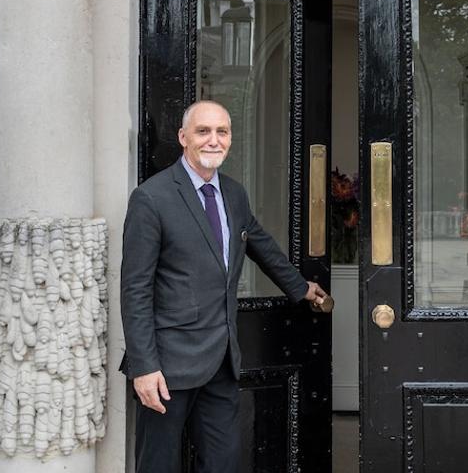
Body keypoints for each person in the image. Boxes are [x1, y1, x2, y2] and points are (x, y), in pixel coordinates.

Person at [120, 100, 327, 473]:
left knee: (223, 462)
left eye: (222, 132)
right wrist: (144, 366)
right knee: (158, 465)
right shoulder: (151, 199)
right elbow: (135, 289)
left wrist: (301, 288)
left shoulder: (233, 193)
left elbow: (260, 244)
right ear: (184, 138)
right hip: (168, 365)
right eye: (203, 132)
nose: (214, 140)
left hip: (222, 360)